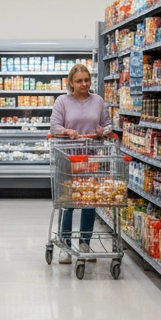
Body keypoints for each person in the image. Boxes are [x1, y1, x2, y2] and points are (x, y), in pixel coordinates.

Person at [49, 63, 110, 263]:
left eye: (87, 80)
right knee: (69, 203)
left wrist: (103, 131)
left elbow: (107, 125)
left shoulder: (98, 101)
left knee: (89, 202)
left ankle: (85, 243)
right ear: (71, 83)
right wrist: (66, 131)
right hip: (68, 158)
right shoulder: (62, 101)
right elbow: (54, 126)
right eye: (79, 81)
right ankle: (65, 245)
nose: (84, 84)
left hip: (91, 158)